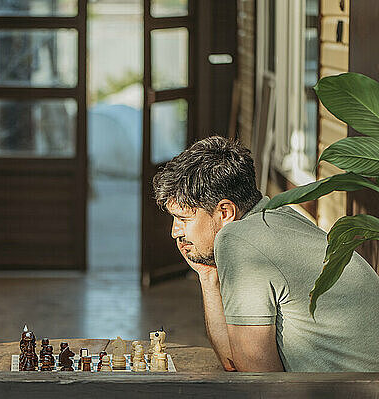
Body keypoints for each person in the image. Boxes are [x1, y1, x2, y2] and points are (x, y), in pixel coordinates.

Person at [152, 136, 379, 372]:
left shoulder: (239, 240)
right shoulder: (280, 215)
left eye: (182, 219)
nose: (174, 232)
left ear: (225, 212)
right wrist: (207, 275)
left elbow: (258, 379)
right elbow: (234, 361)